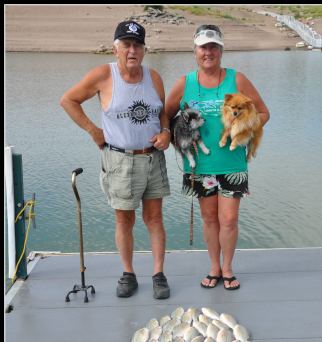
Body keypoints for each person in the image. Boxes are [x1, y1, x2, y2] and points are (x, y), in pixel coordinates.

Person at [60, 21, 171, 299]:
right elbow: (68, 100)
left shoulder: (154, 77)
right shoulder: (103, 75)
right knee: (124, 222)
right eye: (126, 45)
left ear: (144, 49)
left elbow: (162, 113)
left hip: (153, 159)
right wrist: (93, 130)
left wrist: (167, 132)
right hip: (120, 161)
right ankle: (128, 274)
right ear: (115, 48)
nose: (132, 50)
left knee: (155, 218)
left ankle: (158, 274)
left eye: (137, 45)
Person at [165, 25, 270, 290]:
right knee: (210, 219)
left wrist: (244, 130)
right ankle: (214, 267)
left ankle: (228, 268)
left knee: (229, 219)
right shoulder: (185, 83)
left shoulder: (237, 79)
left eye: (213, 46)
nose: (208, 52)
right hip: (200, 165)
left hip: (232, 164)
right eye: (203, 47)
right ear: (195, 51)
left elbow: (263, 112)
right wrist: (172, 136)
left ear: (221, 50)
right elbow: (165, 116)